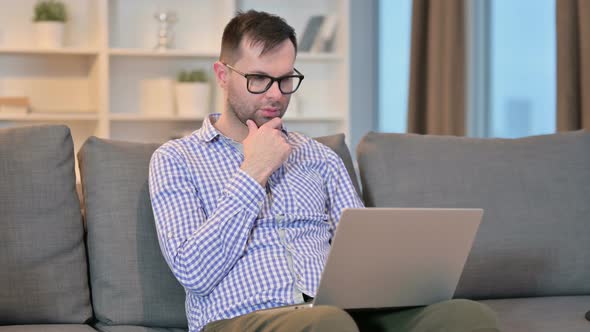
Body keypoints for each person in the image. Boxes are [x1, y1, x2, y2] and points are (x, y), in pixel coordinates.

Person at [148, 10, 499, 332]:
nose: (275, 94)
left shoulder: (320, 157)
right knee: (327, 324)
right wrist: (254, 171)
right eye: (258, 79)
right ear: (223, 76)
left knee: (465, 316)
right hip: (240, 318)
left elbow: (365, 254)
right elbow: (194, 272)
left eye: (286, 80)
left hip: (336, 313)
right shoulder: (176, 159)